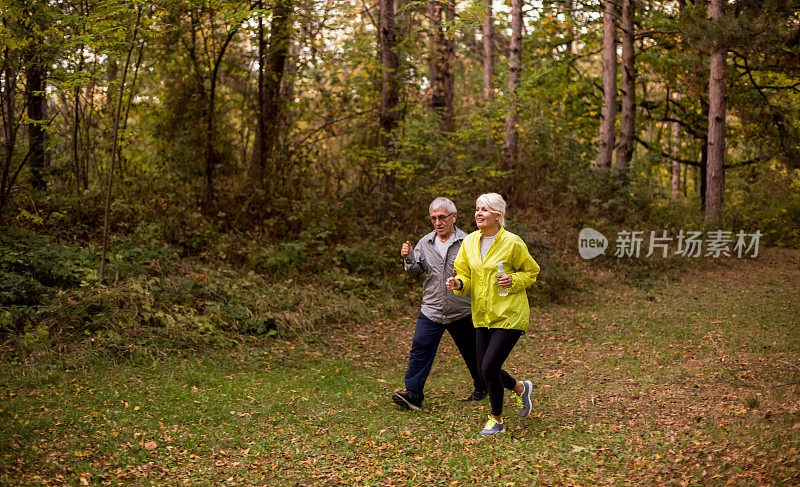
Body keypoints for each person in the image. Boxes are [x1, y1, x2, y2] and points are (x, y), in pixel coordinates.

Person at [446, 192, 540, 436]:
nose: (478, 213)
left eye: (485, 209)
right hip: (482, 315)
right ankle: (520, 388)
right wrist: (458, 284)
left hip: (510, 314)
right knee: (485, 368)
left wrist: (513, 279)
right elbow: (465, 275)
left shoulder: (512, 242)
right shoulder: (469, 243)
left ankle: (496, 420)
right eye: (477, 208)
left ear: (498, 215)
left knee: (488, 367)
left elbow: (531, 271)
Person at [392, 197, 487, 410]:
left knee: (473, 352)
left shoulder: (469, 241)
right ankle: (413, 394)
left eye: (442, 217)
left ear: (454, 217)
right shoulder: (425, 243)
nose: (438, 222)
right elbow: (416, 272)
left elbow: (480, 272)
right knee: (420, 348)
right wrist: (407, 258)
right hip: (432, 309)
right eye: (434, 218)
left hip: (461, 309)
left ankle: (482, 387)